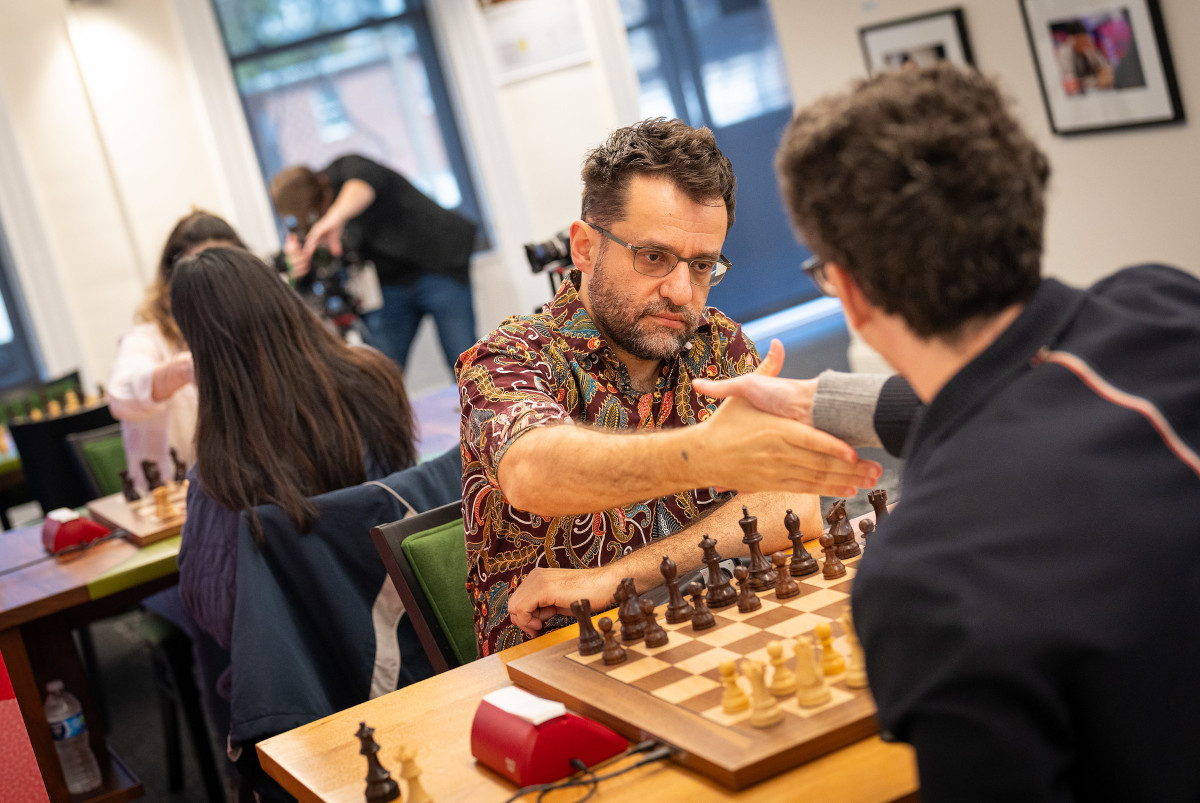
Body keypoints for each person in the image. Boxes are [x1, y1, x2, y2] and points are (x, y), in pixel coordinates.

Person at [700, 64, 1200, 800]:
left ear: (853, 294)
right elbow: (1019, 386)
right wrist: (815, 401)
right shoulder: (1164, 303)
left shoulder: (926, 576)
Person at [458, 118, 883, 655]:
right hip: (557, 667)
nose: (681, 292)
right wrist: (705, 454)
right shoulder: (508, 357)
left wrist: (617, 578)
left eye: (702, 265)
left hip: (706, 639)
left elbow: (793, 502)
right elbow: (532, 472)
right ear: (584, 248)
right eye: (653, 257)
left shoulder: (717, 343)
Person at [172, 246, 418, 672]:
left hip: (311, 669)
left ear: (200, 349)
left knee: (212, 662)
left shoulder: (222, 465)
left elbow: (217, 610)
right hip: (409, 628)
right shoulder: (375, 377)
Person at [270, 154, 478, 371]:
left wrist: (334, 218)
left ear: (323, 183)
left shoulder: (351, 167)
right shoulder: (311, 222)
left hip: (436, 267)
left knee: (465, 363)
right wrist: (298, 267)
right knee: (381, 369)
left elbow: (363, 185)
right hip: (387, 287)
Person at [107, 210, 245, 493]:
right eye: (202, 273)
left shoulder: (245, 332)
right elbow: (121, 396)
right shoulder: (147, 339)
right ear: (173, 281)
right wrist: (184, 369)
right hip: (176, 501)